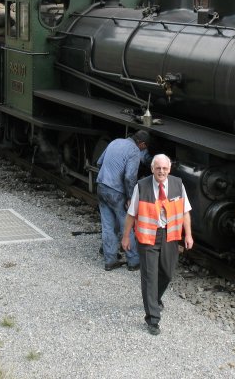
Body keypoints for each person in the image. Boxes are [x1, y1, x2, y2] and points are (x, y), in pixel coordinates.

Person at [122, 154, 193, 336]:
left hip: (170, 235)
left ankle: (155, 298)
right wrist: (126, 237)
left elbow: (185, 212)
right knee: (149, 277)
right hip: (147, 237)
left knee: (167, 273)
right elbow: (131, 214)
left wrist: (189, 235)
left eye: (165, 168)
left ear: (169, 169)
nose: (161, 171)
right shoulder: (142, 186)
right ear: (152, 169)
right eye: (158, 168)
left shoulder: (178, 184)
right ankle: (153, 319)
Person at [95, 130, 150, 271]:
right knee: (127, 225)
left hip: (101, 186)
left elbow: (99, 162)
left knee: (107, 225)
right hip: (116, 192)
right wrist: (130, 197)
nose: (145, 149)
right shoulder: (134, 151)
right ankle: (133, 261)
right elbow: (129, 177)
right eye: (146, 147)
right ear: (142, 144)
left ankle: (110, 260)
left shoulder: (115, 141)